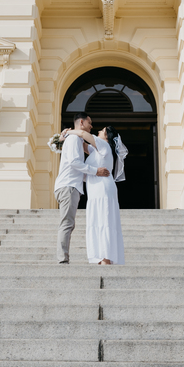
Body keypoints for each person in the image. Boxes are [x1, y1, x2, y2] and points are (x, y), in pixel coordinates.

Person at [65, 122, 127, 265]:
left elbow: (82, 134)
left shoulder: (103, 145)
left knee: (104, 220)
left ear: (107, 136)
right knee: (97, 221)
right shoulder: (96, 149)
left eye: (102, 130)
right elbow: (83, 145)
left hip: (102, 189)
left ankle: (106, 258)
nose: (98, 131)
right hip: (95, 190)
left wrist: (68, 131)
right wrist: (61, 139)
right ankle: (100, 257)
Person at [53, 113, 108, 264]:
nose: (92, 126)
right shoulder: (74, 139)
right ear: (82, 123)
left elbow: (76, 167)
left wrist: (90, 177)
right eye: (90, 123)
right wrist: (95, 171)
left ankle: (63, 258)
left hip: (70, 185)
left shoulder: (76, 139)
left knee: (69, 223)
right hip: (68, 186)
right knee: (67, 224)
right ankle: (62, 260)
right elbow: (74, 162)